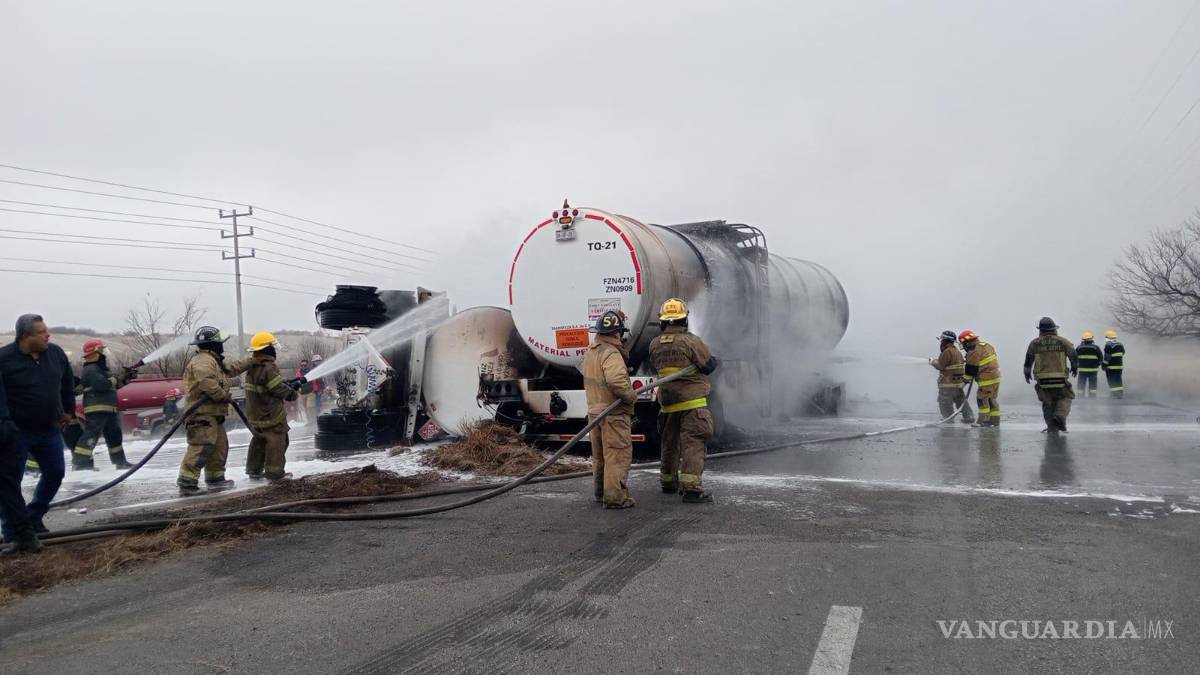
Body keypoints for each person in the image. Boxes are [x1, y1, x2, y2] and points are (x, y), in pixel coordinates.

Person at [0, 314, 75, 550]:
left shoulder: (55, 354)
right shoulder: (4, 359)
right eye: (42, 332)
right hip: (17, 432)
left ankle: (32, 517)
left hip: (49, 428)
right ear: (25, 336)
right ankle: (14, 532)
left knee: (55, 472)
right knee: (10, 482)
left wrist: (68, 410)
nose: (48, 335)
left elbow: (67, 383)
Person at [648, 298, 719, 503]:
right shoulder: (690, 341)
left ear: (663, 322)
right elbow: (708, 365)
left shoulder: (654, 344)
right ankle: (692, 489)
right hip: (692, 404)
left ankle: (668, 482)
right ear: (684, 320)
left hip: (668, 404)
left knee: (669, 443)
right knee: (693, 444)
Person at [177, 326, 251, 495]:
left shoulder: (214, 360)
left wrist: (252, 361)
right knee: (201, 446)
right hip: (201, 413)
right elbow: (206, 381)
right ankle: (187, 483)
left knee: (219, 447)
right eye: (219, 342)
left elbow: (231, 368)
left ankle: (215, 479)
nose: (221, 345)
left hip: (212, 415)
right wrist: (222, 395)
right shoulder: (203, 361)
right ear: (212, 344)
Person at [582, 310, 637, 509]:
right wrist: (631, 397)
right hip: (613, 414)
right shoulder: (611, 352)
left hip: (595, 413)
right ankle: (614, 497)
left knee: (600, 457)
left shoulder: (591, 351)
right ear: (617, 333)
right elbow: (616, 381)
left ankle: (600, 493)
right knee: (617, 454)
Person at [71, 338, 138, 470]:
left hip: (108, 408)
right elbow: (103, 385)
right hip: (96, 409)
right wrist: (116, 378)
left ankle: (120, 461)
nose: (104, 353)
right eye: (101, 350)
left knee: (114, 435)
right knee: (91, 434)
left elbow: (113, 385)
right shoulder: (91, 369)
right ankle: (80, 464)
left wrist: (127, 377)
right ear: (95, 353)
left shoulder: (100, 369)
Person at [243, 332, 299, 481]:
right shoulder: (269, 366)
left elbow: (268, 385)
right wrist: (292, 393)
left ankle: (254, 470)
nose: (274, 350)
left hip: (257, 414)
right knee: (277, 441)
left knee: (259, 440)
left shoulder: (253, 367)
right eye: (272, 347)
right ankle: (275, 474)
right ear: (267, 349)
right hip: (271, 414)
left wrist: (284, 383)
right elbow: (277, 388)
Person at [1024, 317, 1079, 433]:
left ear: (1041, 330)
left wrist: (1027, 373)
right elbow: (1073, 354)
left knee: (1047, 402)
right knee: (1066, 397)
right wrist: (1075, 367)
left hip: (1042, 380)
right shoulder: (1062, 341)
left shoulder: (1034, 343)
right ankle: (1060, 415)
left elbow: (1029, 359)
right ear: (1054, 329)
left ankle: (1051, 427)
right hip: (1060, 378)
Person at [929, 329, 974, 424]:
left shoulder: (946, 352)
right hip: (957, 383)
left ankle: (948, 418)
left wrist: (933, 362)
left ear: (945, 341)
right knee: (960, 400)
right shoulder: (956, 351)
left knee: (944, 401)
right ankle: (969, 416)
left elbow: (941, 365)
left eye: (942, 340)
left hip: (947, 383)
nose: (941, 343)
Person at [959, 330, 1001, 427]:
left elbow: (971, 370)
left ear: (967, 342)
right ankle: (995, 421)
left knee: (982, 399)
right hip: (996, 378)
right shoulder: (987, 345)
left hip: (986, 380)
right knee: (992, 400)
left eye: (963, 344)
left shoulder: (973, 350)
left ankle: (983, 421)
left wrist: (964, 382)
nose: (964, 347)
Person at [1075, 331, 1103, 398]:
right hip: (1093, 370)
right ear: (1091, 339)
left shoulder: (1079, 348)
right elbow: (1101, 358)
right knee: (1093, 384)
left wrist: (1076, 365)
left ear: (1083, 339)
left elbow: (1075, 357)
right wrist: (1098, 364)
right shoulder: (1096, 348)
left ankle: (1080, 396)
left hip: (1082, 370)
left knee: (1081, 383)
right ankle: (1092, 397)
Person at [1102, 329, 1125, 399]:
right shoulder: (1120, 344)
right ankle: (1120, 394)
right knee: (1118, 380)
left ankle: (1113, 394)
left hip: (1111, 367)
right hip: (1119, 367)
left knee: (1111, 380)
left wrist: (1104, 365)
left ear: (1108, 337)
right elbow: (1123, 353)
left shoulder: (1108, 345)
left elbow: (1107, 357)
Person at [295, 359, 313, 424]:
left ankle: (312, 421)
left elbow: (314, 381)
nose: (303, 366)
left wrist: (314, 389)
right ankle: (309, 422)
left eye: (304, 365)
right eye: (302, 365)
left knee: (309, 407)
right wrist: (298, 389)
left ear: (307, 365)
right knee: (305, 408)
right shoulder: (298, 373)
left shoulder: (311, 371)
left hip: (310, 392)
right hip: (303, 393)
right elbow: (297, 382)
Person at [310, 354, 324, 418]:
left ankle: (318, 416)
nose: (318, 362)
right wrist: (320, 389)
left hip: (317, 389)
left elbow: (321, 380)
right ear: (314, 362)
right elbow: (318, 380)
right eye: (316, 361)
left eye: (319, 361)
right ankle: (318, 416)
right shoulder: (315, 369)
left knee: (319, 403)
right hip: (317, 389)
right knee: (317, 404)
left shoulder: (318, 368)